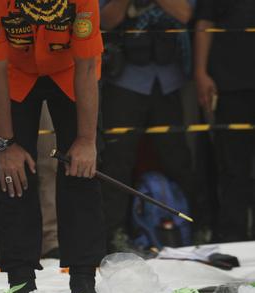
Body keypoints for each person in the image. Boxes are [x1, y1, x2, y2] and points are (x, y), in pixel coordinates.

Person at [0, 0, 106, 293]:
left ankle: (83, 277)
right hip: (14, 74)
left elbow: (87, 66)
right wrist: (4, 145)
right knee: (13, 174)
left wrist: (87, 140)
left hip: (71, 72)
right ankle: (19, 279)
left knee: (81, 169)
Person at [99, 0, 210, 251]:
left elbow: (185, 14)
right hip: (124, 80)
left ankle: (194, 227)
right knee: (118, 161)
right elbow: (106, 20)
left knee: (179, 159)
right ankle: (114, 234)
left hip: (169, 80)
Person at [195, 0, 255, 243]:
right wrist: (200, 72)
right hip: (230, 84)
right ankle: (234, 239)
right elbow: (204, 22)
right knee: (232, 167)